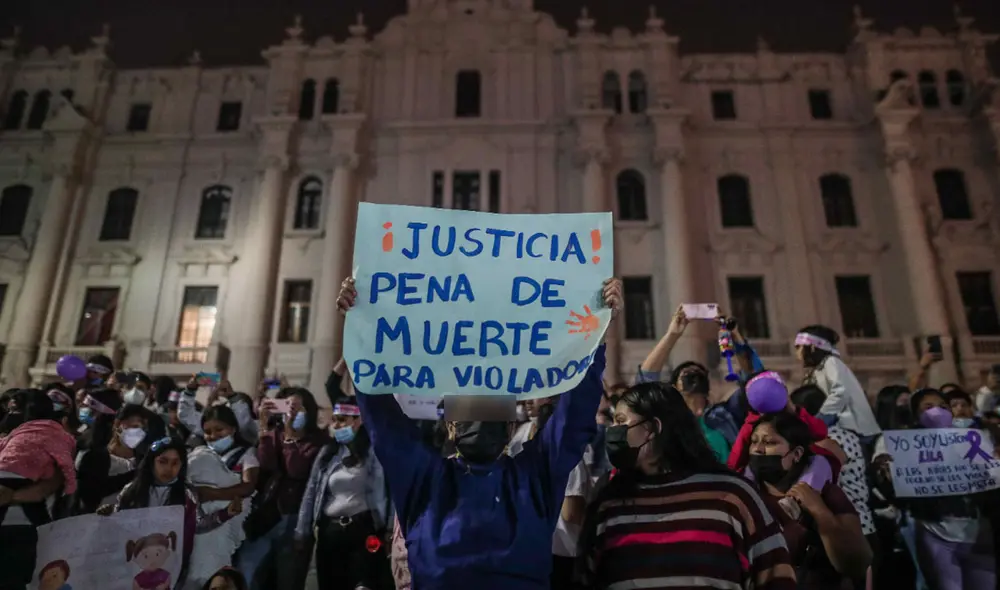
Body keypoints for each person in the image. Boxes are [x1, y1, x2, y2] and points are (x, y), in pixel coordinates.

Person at [337, 275, 622, 589]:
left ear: (511, 425)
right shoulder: (426, 476)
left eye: (488, 411)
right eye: (470, 411)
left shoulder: (533, 474)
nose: (479, 421)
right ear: (449, 426)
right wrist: (358, 328)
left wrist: (598, 330)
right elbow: (383, 422)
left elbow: (574, 417)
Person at [575, 381, 797, 590]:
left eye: (622, 421)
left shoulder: (733, 497)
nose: (613, 430)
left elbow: (775, 576)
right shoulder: (609, 504)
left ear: (652, 428)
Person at [873, 388, 997, 590]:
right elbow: (884, 471)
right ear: (916, 414)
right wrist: (885, 466)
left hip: (977, 530)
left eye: (942, 406)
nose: (937, 411)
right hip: (935, 530)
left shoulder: (971, 439)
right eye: (928, 407)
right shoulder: (902, 443)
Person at [747, 413, 872, 588]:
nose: (757, 449)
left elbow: (857, 564)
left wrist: (820, 513)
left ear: (797, 454)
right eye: (753, 441)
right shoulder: (744, 497)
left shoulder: (828, 495)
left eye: (769, 442)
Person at [104, 437, 242, 589]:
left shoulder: (186, 494)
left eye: (175, 463)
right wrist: (110, 514)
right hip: (134, 566)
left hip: (172, 567)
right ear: (151, 462)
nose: (169, 468)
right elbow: (120, 525)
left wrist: (225, 514)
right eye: (163, 461)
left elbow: (198, 525)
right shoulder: (131, 491)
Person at [236, 387, 328, 590]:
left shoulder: (319, 442)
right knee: (247, 571)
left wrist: (292, 437)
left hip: (298, 519)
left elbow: (296, 469)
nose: (292, 412)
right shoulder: (273, 435)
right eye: (287, 406)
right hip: (268, 515)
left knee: (287, 579)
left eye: (297, 407)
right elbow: (266, 465)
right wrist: (263, 426)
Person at [295, 396, 389, 590]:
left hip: (364, 529)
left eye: (342, 420)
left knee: (365, 584)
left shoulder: (374, 453)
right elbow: (312, 491)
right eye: (335, 419)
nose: (336, 425)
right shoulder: (328, 453)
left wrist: (389, 527)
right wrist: (302, 530)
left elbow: (387, 492)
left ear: (357, 421)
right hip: (330, 531)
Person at [185, 405, 258, 588]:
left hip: (231, 520)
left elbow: (248, 486)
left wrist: (213, 494)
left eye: (219, 430)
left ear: (233, 429)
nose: (213, 435)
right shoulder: (199, 455)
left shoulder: (246, 454)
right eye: (208, 431)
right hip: (203, 525)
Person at [0, 390, 77, 526]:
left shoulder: (49, 433)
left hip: (9, 475)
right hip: (25, 480)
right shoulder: (52, 433)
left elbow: (45, 487)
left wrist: (69, 486)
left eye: (15, 410)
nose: (11, 415)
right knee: (40, 519)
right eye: (10, 410)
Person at [795, 325, 880, 438]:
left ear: (812, 347)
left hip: (853, 430)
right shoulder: (815, 371)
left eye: (798, 347)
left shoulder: (831, 362)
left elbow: (840, 391)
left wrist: (821, 418)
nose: (797, 353)